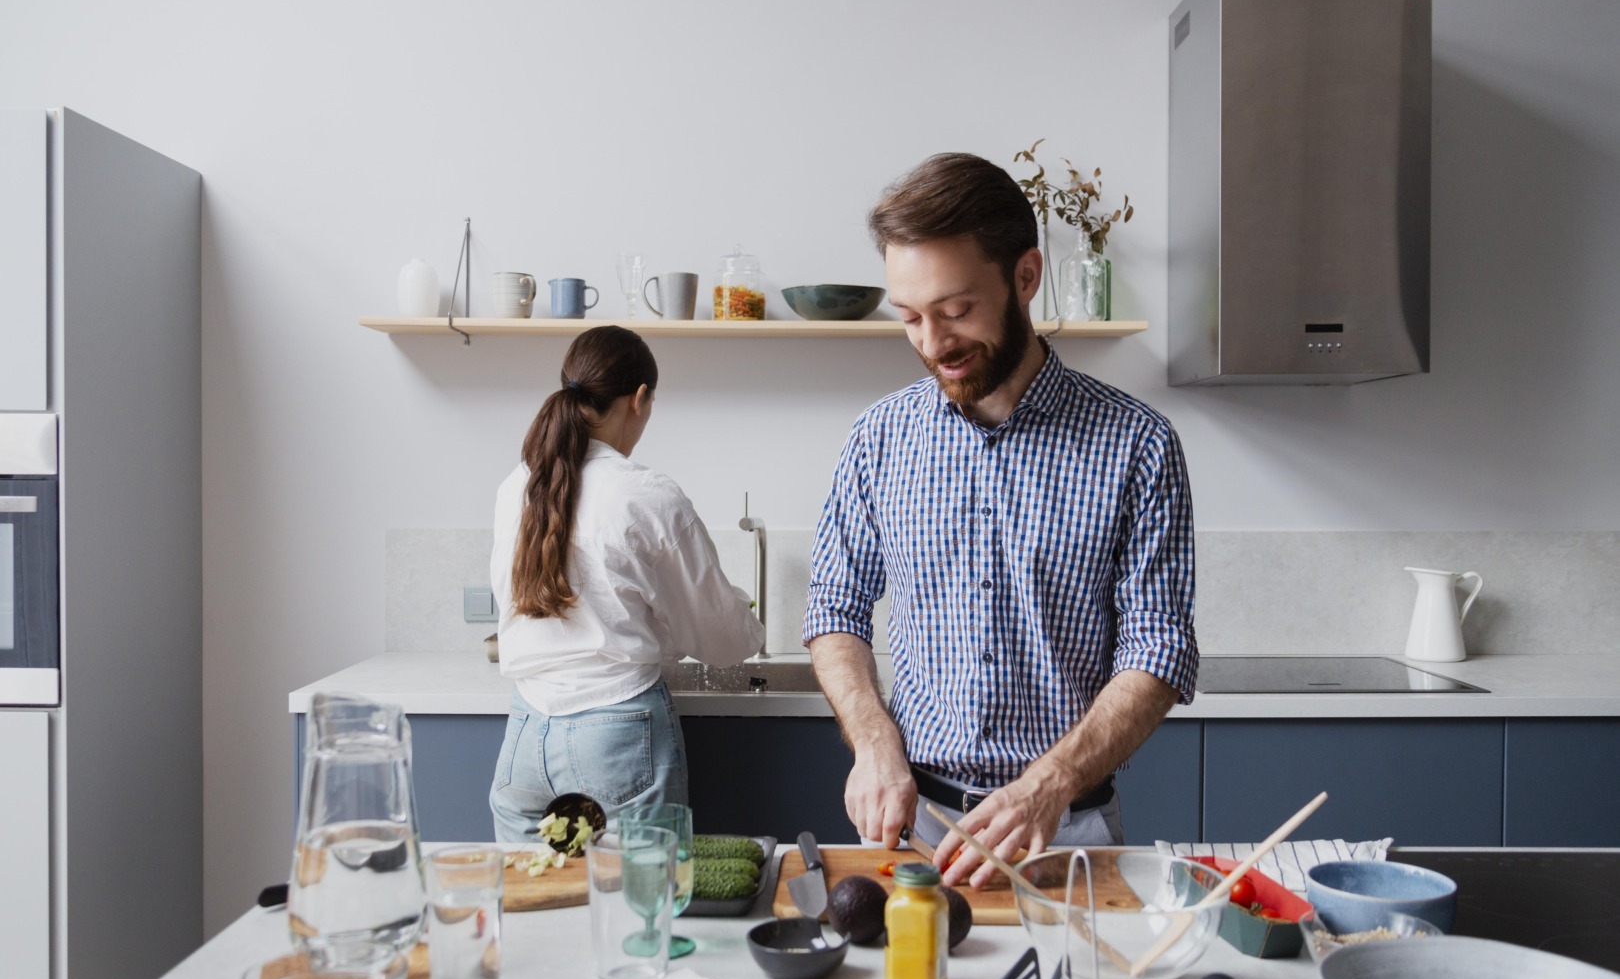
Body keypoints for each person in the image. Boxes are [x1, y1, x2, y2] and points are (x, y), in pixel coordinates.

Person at [803, 153, 1198, 886]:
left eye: (956, 311)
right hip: (913, 826)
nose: (933, 342)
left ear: (1025, 275)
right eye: (911, 317)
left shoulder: (1139, 445)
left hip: (1066, 827)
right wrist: (873, 741)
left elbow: (1160, 650)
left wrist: (1050, 783)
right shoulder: (877, 438)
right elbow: (835, 608)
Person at [489, 325, 763, 842]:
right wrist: (750, 624)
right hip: (618, 734)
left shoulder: (517, 485)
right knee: (640, 906)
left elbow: (515, 599)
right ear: (639, 398)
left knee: (531, 904)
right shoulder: (647, 495)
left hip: (526, 734)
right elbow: (722, 640)